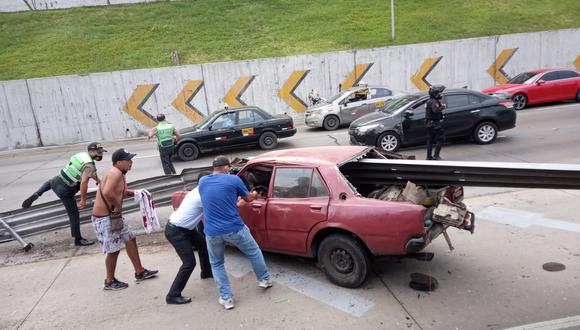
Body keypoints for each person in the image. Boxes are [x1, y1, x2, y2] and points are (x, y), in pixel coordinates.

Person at [198, 155, 272, 310]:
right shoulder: (234, 180)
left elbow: (217, 198)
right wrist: (255, 194)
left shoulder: (203, 181)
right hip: (234, 228)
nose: (230, 170)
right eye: (229, 168)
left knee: (217, 263)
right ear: (226, 168)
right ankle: (264, 280)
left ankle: (227, 299)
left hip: (212, 232)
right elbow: (248, 199)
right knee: (253, 251)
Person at [91, 148, 158, 291]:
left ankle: (140, 271)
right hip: (105, 219)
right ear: (119, 162)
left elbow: (121, 192)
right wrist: (117, 206)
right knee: (113, 250)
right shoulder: (115, 173)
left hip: (113, 217)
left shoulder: (120, 173)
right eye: (128, 160)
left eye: (131, 159)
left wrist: (139, 193)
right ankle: (109, 281)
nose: (131, 162)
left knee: (130, 239)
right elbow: (107, 192)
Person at [21, 142, 107, 246]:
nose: (100, 155)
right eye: (98, 153)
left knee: (51, 181)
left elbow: (89, 172)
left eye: (101, 152)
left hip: (56, 181)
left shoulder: (81, 156)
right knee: (74, 214)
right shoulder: (89, 165)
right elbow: (84, 182)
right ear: (91, 152)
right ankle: (78, 240)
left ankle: (38, 193)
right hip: (65, 190)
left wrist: (98, 179)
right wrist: (83, 200)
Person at [164, 171, 213, 305]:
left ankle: (206, 272)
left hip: (184, 228)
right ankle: (172, 295)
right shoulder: (200, 197)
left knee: (203, 244)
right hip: (176, 231)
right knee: (189, 263)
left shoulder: (197, 191)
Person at [425, 85, 447, 160]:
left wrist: (440, 106)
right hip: (434, 124)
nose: (440, 94)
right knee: (441, 138)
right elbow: (435, 110)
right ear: (435, 93)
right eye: (439, 93)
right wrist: (442, 107)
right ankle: (436, 155)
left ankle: (429, 156)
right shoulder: (433, 102)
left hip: (430, 124)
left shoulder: (430, 100)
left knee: (430, 141)